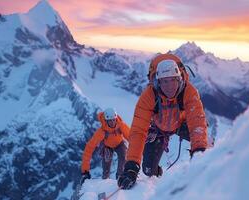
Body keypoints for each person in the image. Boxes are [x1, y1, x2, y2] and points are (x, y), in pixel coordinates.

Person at [117, 54, 208, 189]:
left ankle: (212, 156)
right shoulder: (149, 96)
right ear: (158, 82)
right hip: (158, 130)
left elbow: (196, 122)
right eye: (165, 81)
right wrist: (131, 165)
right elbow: (138, 131)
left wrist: (199, 153)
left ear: (179, 79)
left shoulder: (189, 91)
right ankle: (157, 174)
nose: (170, 86)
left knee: (203, 141)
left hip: (180, 125)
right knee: (148, 171)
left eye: (173, 80)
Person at [81, 108, 130, 180]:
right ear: (106, 121)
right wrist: (85, 170)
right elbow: (89, 148)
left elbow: (131, 138)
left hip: (119, 144)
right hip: (107, 146)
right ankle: (105, 180)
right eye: (110, 121)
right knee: (106, 165)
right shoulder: (102, 131)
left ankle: (120, 176)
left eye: (114, 119)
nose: (112, 122)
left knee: (123, 155)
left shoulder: (120, 125)